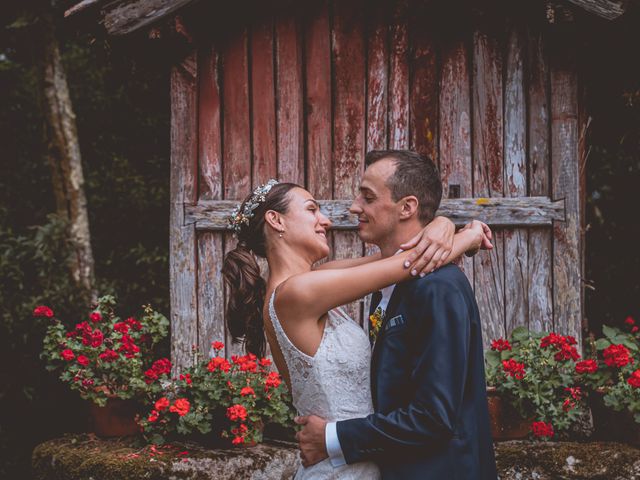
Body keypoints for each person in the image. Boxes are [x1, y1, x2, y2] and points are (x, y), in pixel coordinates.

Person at [222, 151, 492, 479]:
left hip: (362, 459)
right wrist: (467, 234)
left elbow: (398, 257)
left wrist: (444, 224)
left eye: (367, 196)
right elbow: (407, 263)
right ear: (276, 221)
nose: (329, 220)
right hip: (341, 468)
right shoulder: (295, 294)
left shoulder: (319, 281)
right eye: (312, 210)